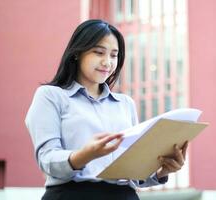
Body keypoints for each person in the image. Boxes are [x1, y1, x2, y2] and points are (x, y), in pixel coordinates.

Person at [25, 19, 188, 200]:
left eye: (113, 55)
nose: (107, 62)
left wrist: (161, 171)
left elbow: (132, 172)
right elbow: (47, 159)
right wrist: (84, 155)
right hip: (71, 195)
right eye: (99, 52)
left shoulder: (125, 104)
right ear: (77, 53)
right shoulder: (51, 96)